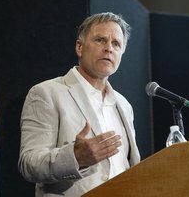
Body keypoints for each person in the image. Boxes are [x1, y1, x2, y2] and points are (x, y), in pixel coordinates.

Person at [18, 12, 140, 197]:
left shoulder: (124, 105)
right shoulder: (46, 93)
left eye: (116, 44)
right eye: (100, 40)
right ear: (79, 47)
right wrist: (75, 158)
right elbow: (29, 164)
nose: (109, 48)